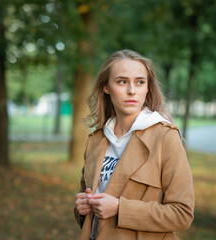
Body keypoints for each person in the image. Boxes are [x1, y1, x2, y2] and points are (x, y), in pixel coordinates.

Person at [74, 49, 195, 240]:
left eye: (140, 82)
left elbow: (182, 214)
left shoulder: (165, 136)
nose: (132, 90)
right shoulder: (95, 140)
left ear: (147, 88)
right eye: (122, 81)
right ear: (106, 87)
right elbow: (90, 209)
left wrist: (121, 208)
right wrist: (81, 209)